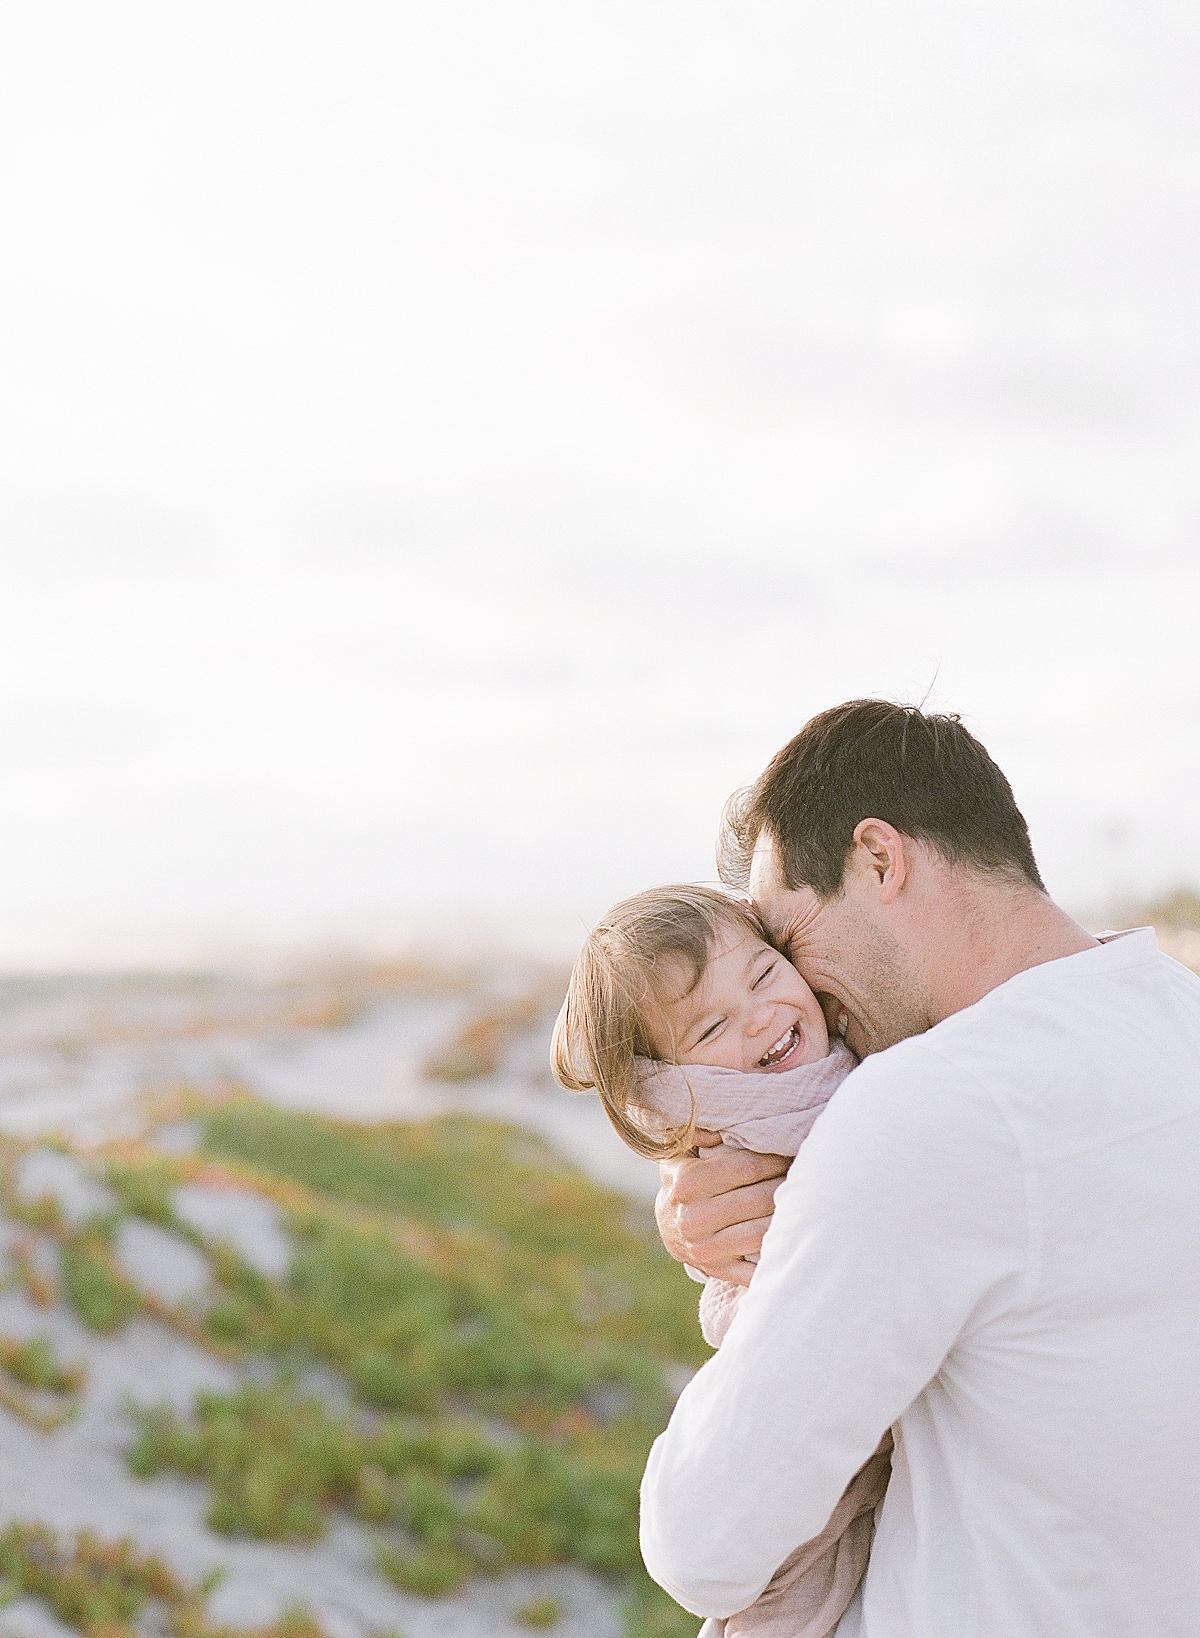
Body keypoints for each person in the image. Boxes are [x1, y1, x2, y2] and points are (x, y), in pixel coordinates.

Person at [642, 699, 1200, 1637]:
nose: (801, 989)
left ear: (878, 859)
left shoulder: (929, 1111)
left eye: (787, 939)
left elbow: (704, 1543)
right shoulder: (1174, 1018)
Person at [552, 883, 889, 1637]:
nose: (761, 1016)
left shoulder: (836, 1050)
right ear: (673, 1082)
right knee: (791, 1592)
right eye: (711, 1027)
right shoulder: (744, 1115)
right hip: (789, 1364)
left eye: (766, 975)